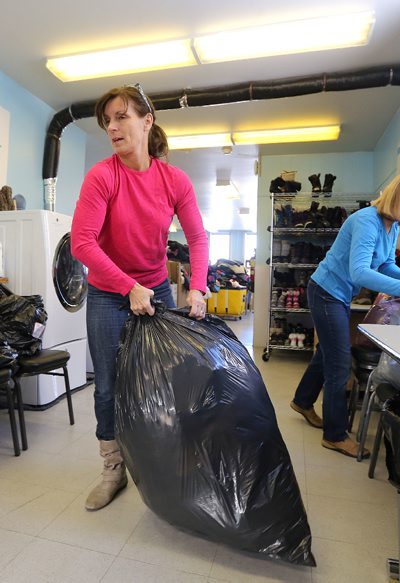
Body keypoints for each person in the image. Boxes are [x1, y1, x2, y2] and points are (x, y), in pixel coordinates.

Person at [71, 83, 208, 510]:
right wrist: (127, 286)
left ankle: (160, 462)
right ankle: (114, 469)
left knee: (162, 381)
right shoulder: (102, 176)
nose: (112, 126)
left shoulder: (174, 180)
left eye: (121, 117)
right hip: (108, 293)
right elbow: (82, 243)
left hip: (157, 289)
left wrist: (200, 286)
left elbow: (198, 236)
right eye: (107, 121)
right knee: (109, 385)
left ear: (147, 121)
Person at [290, 169, 400, 459]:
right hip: (326, 291)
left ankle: (302, 401)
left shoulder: (393, 225)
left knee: (327, 352)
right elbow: (360, 272)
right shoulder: (366, 221)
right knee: (339, 363)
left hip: (337, 293)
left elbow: (386, 264)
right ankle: (335, 435)